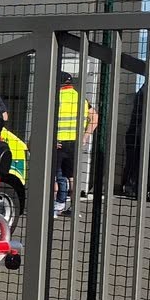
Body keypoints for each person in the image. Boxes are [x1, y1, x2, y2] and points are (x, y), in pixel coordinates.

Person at [53, 73, 98, 216]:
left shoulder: (55, 97)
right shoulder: (81, 99)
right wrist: (84, 137)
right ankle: (74, 208)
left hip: (57, 143)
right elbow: (95, 117)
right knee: (72, 177)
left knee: (52, 177)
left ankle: (52, 208)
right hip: (75, 144)